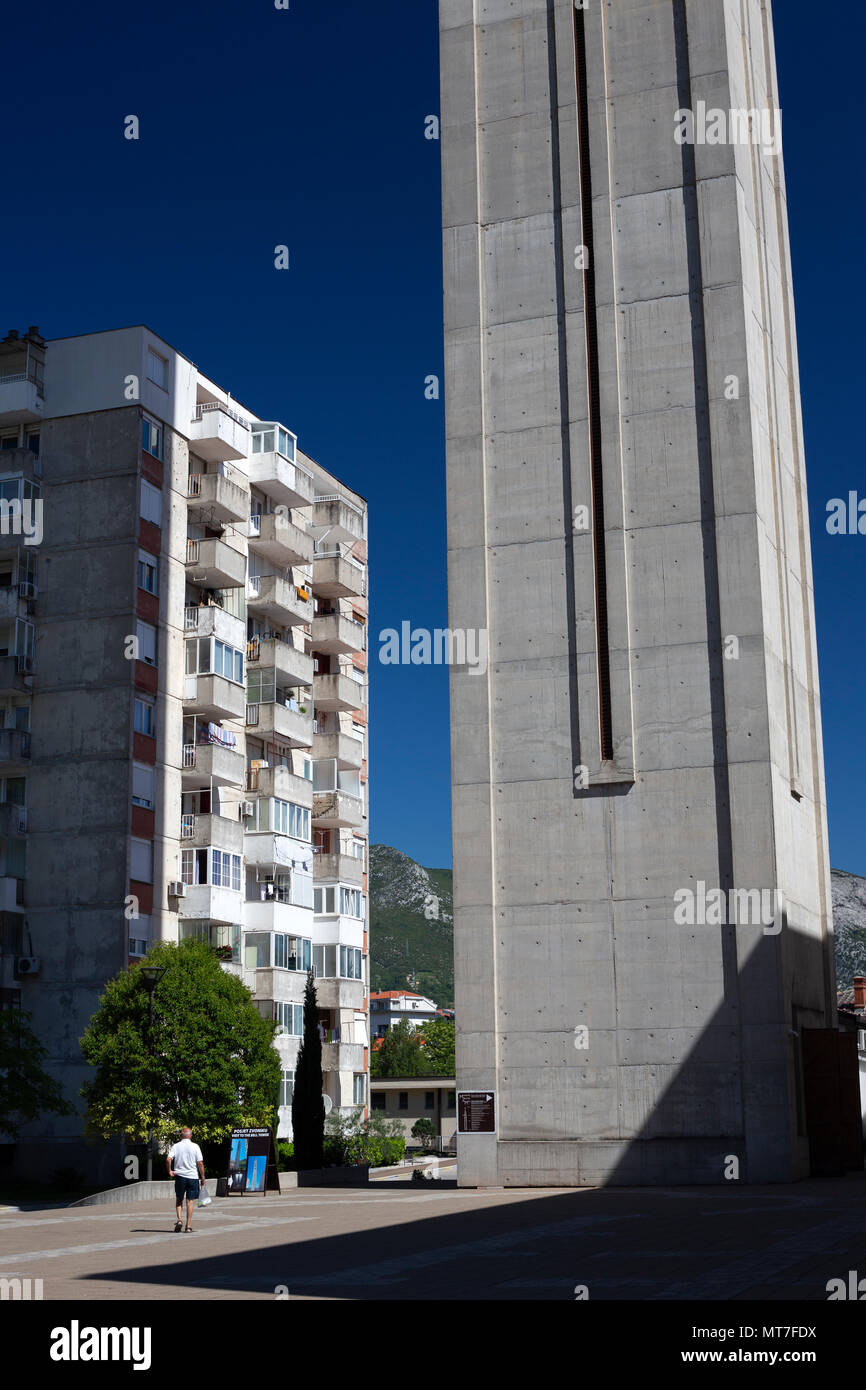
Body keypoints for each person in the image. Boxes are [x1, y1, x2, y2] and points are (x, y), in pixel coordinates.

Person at [166, 1126, 205, 1232]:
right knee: (190, 1201)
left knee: (179, 1199)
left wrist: (169, 1171)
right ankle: (188, 1226)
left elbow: (168, 1159)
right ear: (191, 1135)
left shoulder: (176, 1146)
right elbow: (200, 1163)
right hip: (192, 1177)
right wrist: (202, 1177)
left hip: (180, 1177)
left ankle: (179, 1220)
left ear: (181, 1135)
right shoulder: (195, 1146)